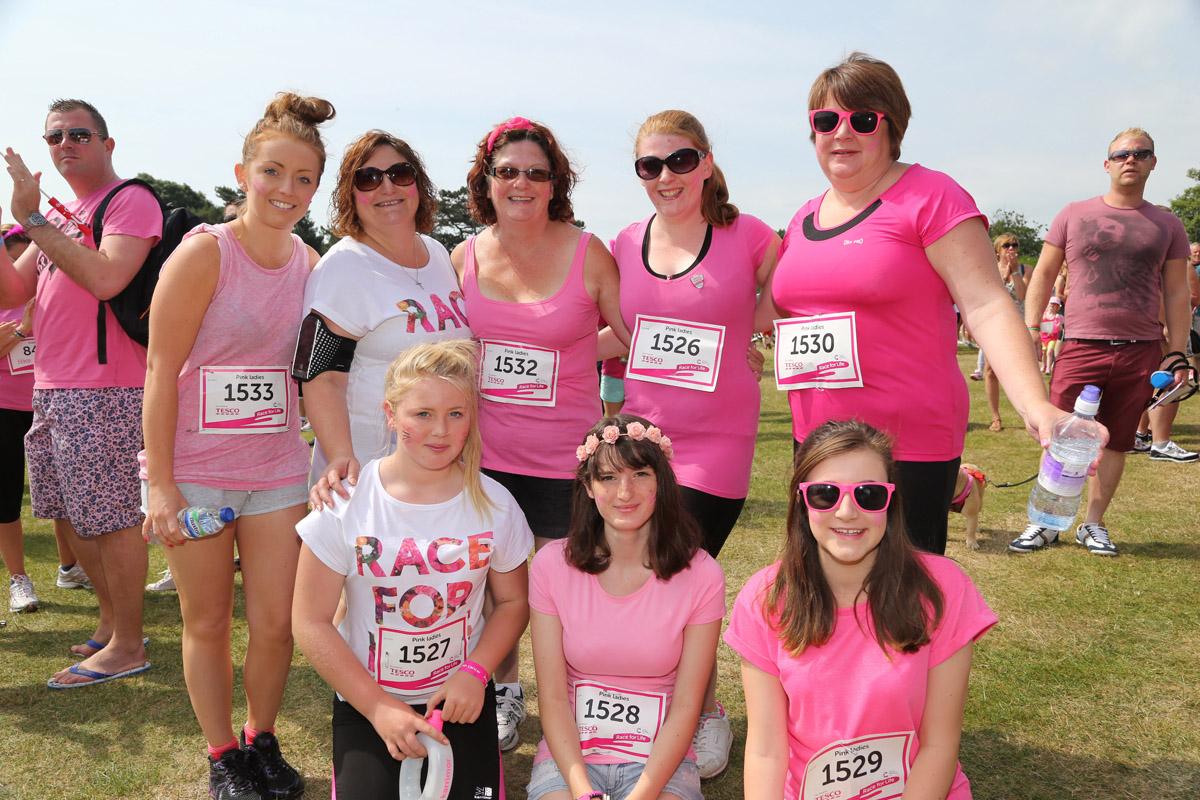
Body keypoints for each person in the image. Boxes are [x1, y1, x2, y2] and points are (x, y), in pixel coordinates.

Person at [764, 53, 1065, 556]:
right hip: (817, 441)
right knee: (820, 591)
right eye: (826, 120)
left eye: (862, 120)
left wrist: (1034, 403)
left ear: (891, 126)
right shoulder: (802, 217)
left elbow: (987, 304)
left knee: (902, 607)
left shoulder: (932, 197)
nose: (841, 133)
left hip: (905, 444)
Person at [142, 92, 334, 799]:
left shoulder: (310, 263)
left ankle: (262, 737)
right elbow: (161, 371)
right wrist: (160, 484)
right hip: (196, 472)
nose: (287, 191)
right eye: (273, 172)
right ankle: (223, 754)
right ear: (242, 173)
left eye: (304, 179)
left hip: (279, 469)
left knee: (276, 622)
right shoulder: (203, 256)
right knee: (209, 619)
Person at [609, 109, 779, 778]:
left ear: (705, 162)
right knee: (647, 579)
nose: (665, 176)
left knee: (682, 569)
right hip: (643, 442)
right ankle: (662, 704)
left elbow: (801, 290)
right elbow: (615, 333)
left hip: (718, 444)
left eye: (679, 161)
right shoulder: (623, 241)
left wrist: (750, 330)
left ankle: (706, 713)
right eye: (649, 166)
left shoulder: (750, 235)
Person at [451, 116, 628, 749]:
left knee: (569, 588)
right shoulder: (462, 257)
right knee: (492, 589)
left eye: (536, 173)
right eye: (507, 172)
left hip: (565, 460)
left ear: (556, 184)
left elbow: (637, 337)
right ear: (487, 182)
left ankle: (578, 695)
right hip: (482, 459)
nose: (521, 183)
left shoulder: (589, 252)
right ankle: (503, 690)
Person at [293, 340, 533, 800]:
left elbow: (513, 602)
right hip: (369, 702)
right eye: (422, 413)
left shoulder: (497, 505)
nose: (440, 430)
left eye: (456, 414)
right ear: (391, 413)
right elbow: (310, 621)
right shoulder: (345, 505)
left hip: (461, 699)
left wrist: (477, 672)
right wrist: (379, 707)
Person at [725, 419, 997, 800]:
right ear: (802, 503)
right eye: (825, 494)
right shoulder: (764, 599)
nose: (848, 512)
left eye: (869, 494)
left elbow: (939, 746)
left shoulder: (944, 589)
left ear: (891, 502)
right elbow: (766, 752)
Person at [1, 98, 160, 686]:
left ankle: (129, 644)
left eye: (78, 134)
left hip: (107, 386)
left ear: (107, 144)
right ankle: (111, 626)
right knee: (76, 516)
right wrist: (10, 224)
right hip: (56, 385)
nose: (64, 144)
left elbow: (106, 276)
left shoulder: (128, 200)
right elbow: (13, 289)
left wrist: (34, 220)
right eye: (54, 137)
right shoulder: (64, 216)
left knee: (112, 519)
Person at [1015, 127, 1193, 555]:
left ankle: (1093, 524)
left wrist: (1177, 352)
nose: (1130, 159)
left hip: (1140, 349)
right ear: (1107, 163)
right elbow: (1041, 273)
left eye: (1140, 153)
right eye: (1121, 154)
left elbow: (1176, 292)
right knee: (1058, 436)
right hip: (1080, 344)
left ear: (1153, 162)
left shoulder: (1167, 223)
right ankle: (1045, 523)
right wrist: (1032, 328)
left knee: (1116, 440)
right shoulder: (1073, 213)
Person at [527, 415, 723, 800]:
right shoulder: (552, 566)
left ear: (661, 482)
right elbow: (551, 697)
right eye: (608, 478)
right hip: (572, 758)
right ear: (588, 486)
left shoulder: (701, 573)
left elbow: (686, 706)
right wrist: (582, 791)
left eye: (640, 475)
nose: (624, 492)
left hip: (661, 762)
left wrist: (642, 794)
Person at [297, 130, 469, 495]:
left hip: (442, 465)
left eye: (400, 174)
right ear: (350, 194)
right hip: (368, 471)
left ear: (417, 184)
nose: (386, 187)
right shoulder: (344, 267)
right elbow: (321, 375)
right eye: (369, 178)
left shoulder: (437, 253)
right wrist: (341, 455)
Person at [0, 224, 38, 612]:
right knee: (6, 500)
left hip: (50, 404)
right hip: (5, 409)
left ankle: (72, 567)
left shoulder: (48, 289)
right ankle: (19, 578)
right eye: (14, 258)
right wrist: (22, 329)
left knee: (61, 499)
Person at [983, 233, 1027, 431]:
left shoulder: (1026, 269)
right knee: (991, 371)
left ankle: (1028, 414)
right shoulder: (988, 269)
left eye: (1014, 245)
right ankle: (995, 417)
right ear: (997, 250)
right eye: (1006, 245)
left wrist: (1015, 272)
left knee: (1023, 371)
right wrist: (1002, 274)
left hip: (1017, 326)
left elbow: (1021, 294)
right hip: (994, 325)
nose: (1011, 248)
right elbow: (990, 292)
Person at [1039, 297, 1065, 374]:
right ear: (1047, 305)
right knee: (1044, 352)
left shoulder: (1058, 316)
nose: (1052, 306)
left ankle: (1048, 368)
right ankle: (1043, 365)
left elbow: (1061, 328)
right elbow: (1039, 325)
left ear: (1057, 308)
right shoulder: (1043, 315)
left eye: (1055, 305)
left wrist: (1058, 326)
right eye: (1051, 304)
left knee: (1049, 352)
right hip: (1043, 338)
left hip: (1052, 338)